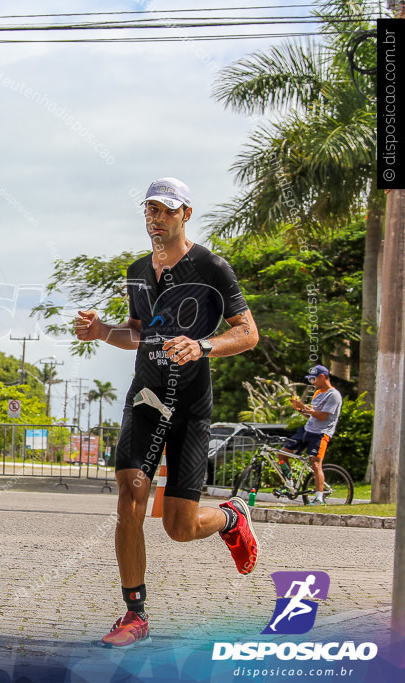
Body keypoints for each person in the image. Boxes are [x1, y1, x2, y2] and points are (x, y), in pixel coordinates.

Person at [74, 177, 261, 648]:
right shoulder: (137, 270)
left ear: (185, 215)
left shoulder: (212, 266)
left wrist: (202, 345)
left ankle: (231, 517)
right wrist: (102, 331)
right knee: (130, 492)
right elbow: (137, 332)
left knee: (180, 527)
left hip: (190, 409)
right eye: (150, 209)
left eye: (166, 210)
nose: (156, 217)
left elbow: (248, 333)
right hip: (146, 399)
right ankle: (134, 613)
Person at [277, 365, 342, 504]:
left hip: (321, 434)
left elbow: (323, 416)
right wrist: (300, 409)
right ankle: (289, 483)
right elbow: (312, 416)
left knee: (316, 463)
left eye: (314, 379)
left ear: (322, 377)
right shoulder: (318, 393)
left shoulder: (333, 395)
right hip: (307, 430)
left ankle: (319, 497)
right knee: (283, 453)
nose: (312, 382)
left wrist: (305, 407)